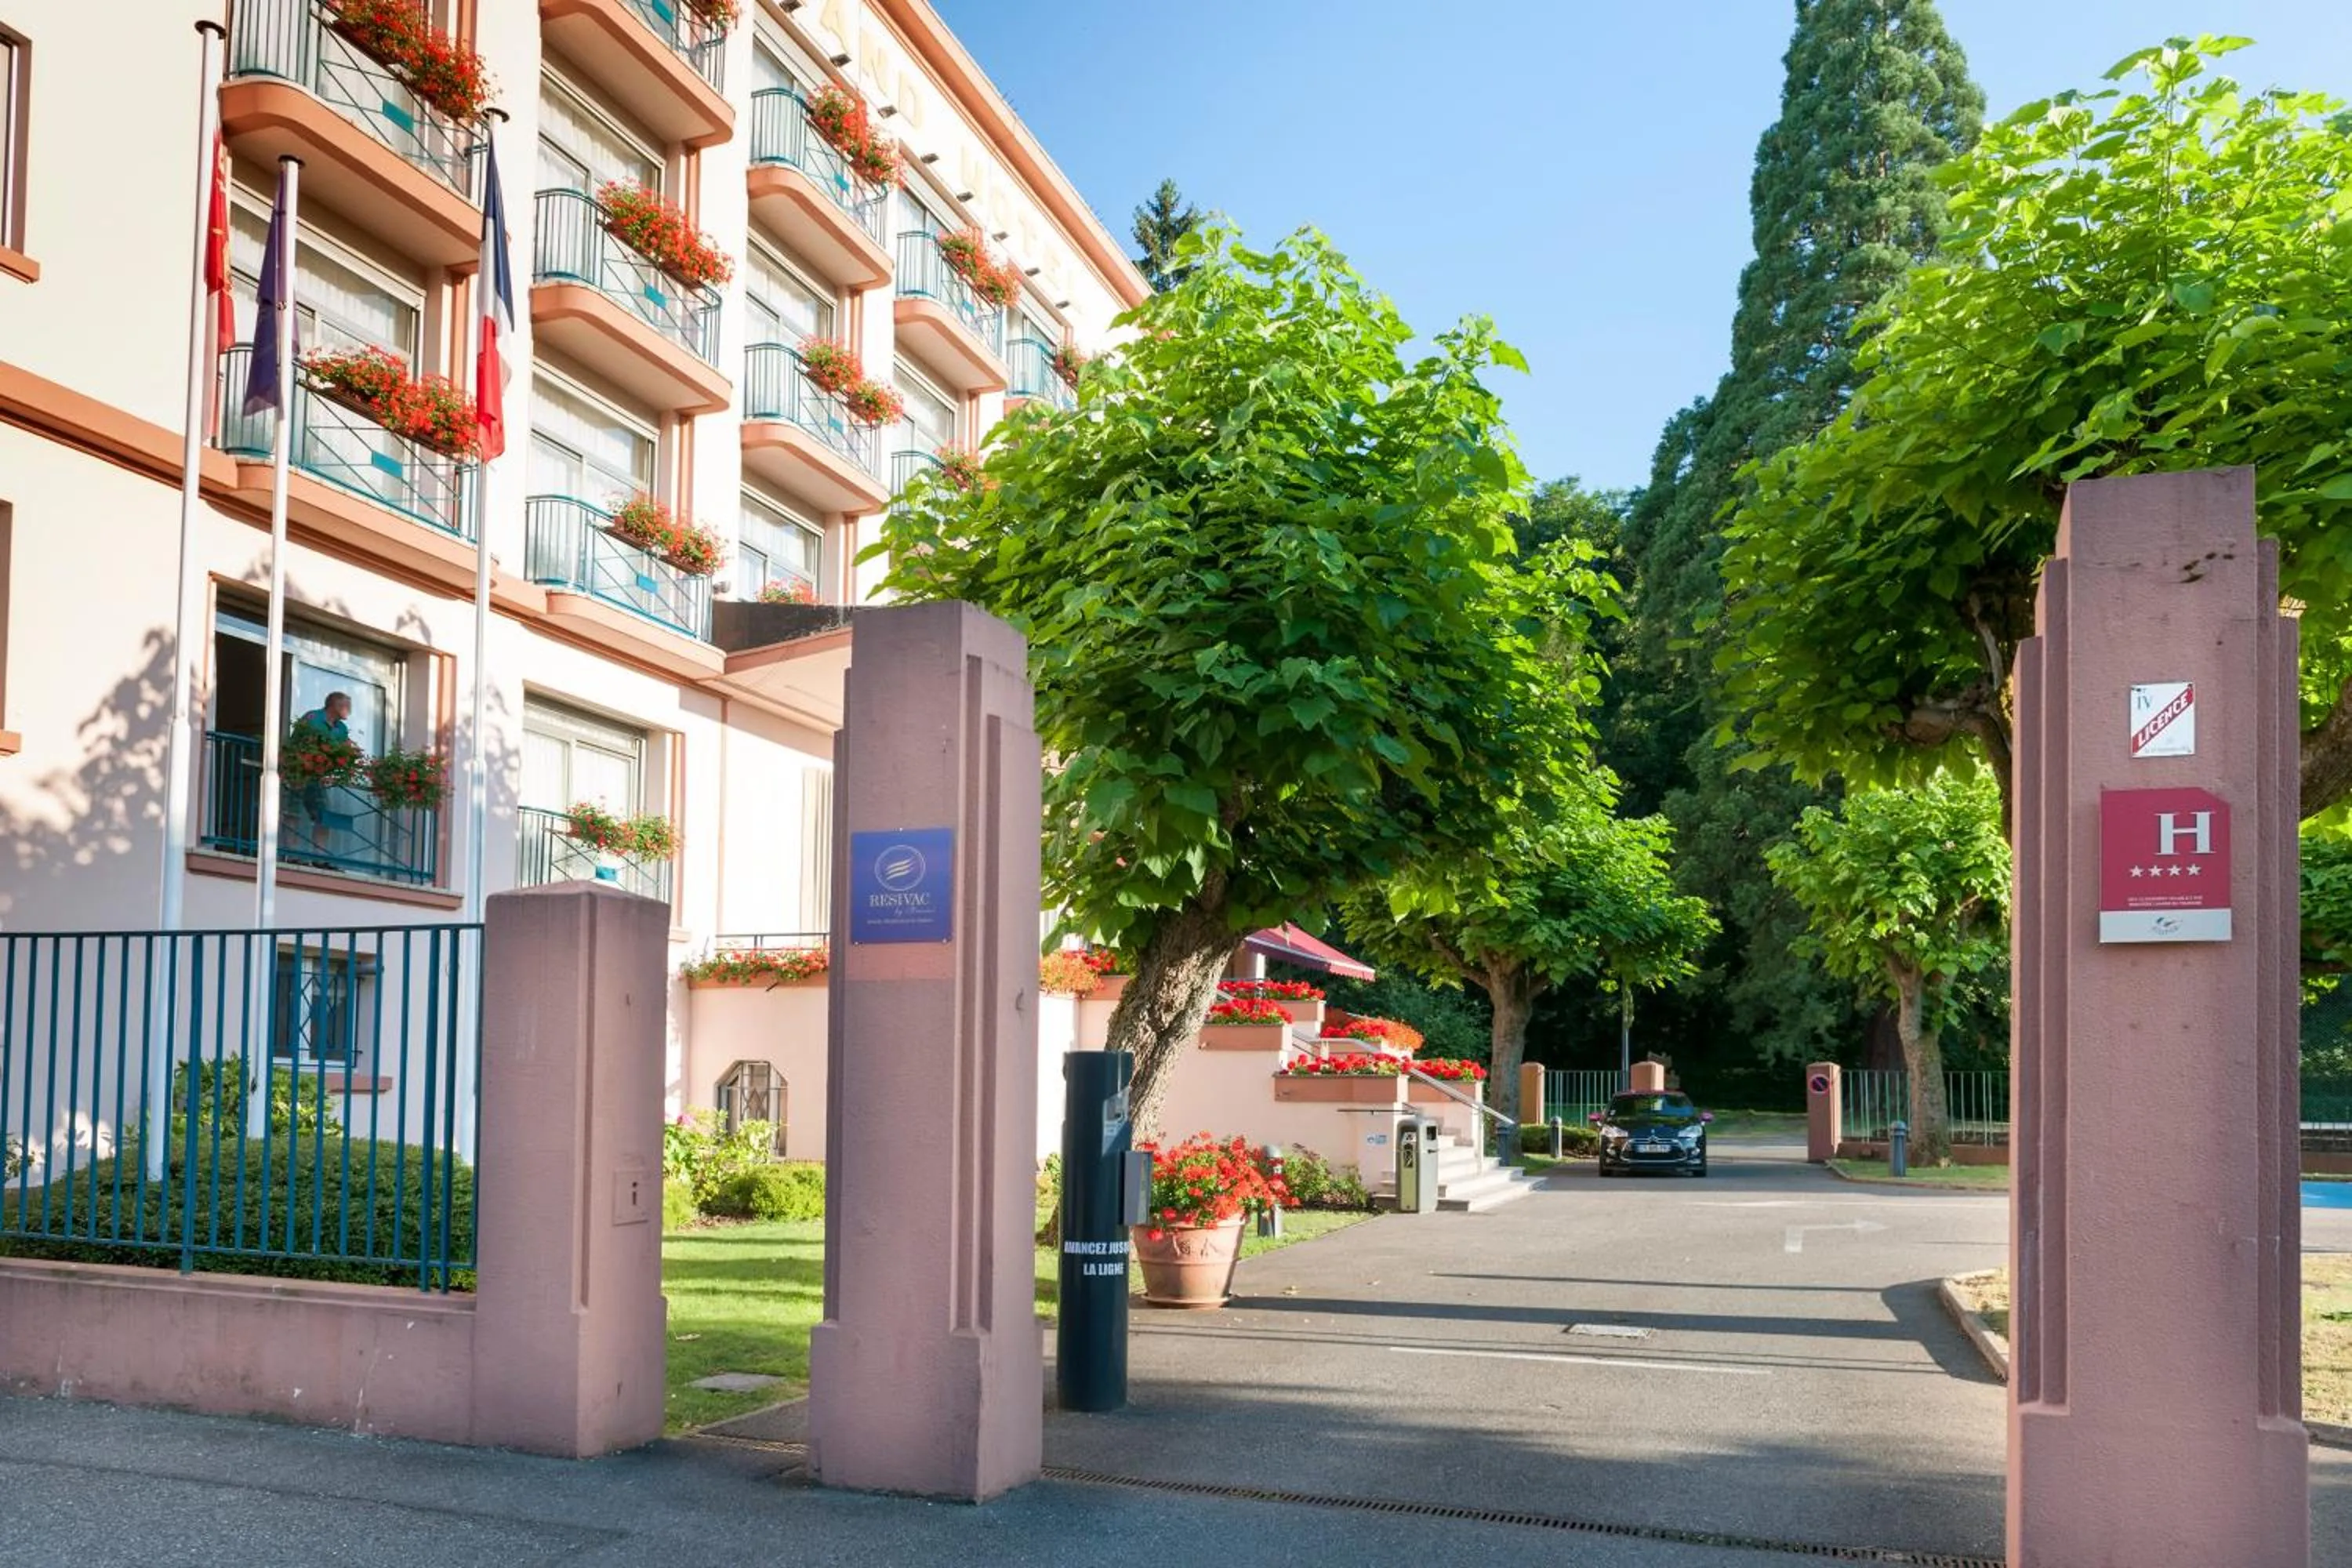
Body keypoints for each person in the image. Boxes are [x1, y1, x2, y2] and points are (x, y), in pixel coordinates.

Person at [289, 691, 354, 855]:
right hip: (299, 773)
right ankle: (290, 853)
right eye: (347, 707)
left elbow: (343, 754)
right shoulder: (313, 718)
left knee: (324, 817)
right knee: (292, 812)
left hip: (319, 778)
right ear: (335, 705)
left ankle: (320, 857)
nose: (350, 711)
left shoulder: (342, 728)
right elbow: (295, 742)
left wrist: (335, 772)